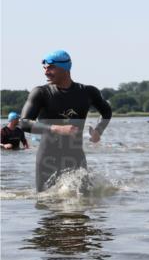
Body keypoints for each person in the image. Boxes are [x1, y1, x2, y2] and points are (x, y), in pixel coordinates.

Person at [19, 50, 112, 191]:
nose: (46, 72)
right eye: (44, 68)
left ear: (66, 67)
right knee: (47, 202)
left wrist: (99, 131)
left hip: (76, 157)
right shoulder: (41, 93)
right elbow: (24, 123)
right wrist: (56, 128)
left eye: (51, 67)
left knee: (81, 204)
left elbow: (107, 112)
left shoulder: (87, 92)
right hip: (47, 159)